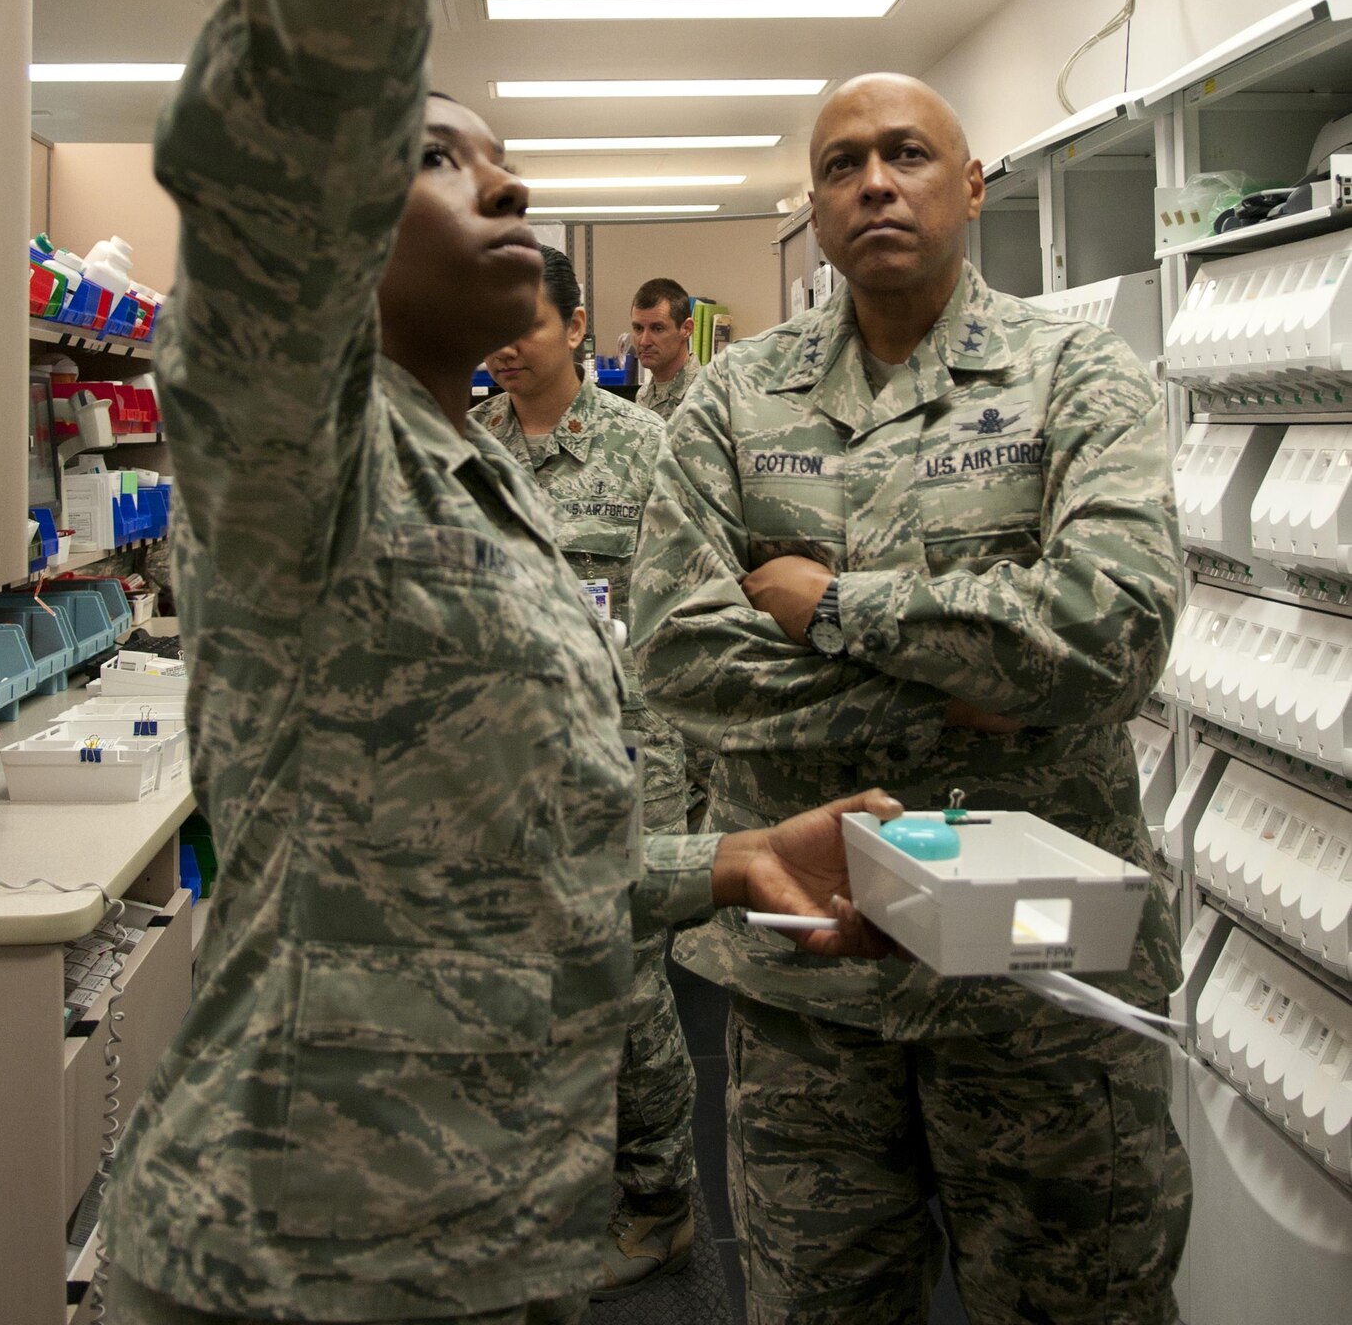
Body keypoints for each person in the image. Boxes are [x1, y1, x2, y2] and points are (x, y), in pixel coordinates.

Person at [98, 0, 898, 1325]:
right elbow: (290, 118)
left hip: (495, 1247)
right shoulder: (302, 441)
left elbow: (497, 867)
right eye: (446, 159)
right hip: (302, 1264)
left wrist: (723, 864)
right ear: (349, 213)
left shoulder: (476, 475)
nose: (509, 186)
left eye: (508, 160)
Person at [632, 72, 1192, 1325]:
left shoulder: (1078, 378)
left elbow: (1111, 633)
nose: (872, 181)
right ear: (816, 208)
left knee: (1078, 1305)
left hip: (1039, 980)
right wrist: (977, 682)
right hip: (809, 990)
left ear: (970, 183)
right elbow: (675, 651)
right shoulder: (733, 399)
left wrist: (836, 607)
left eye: (905, 154)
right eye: (840, 164)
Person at [469, 248, 697, 1295]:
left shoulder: (645, 446)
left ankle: (657, 1199)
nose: (505, 343)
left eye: (525, 320)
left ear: (574, 324)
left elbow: (696, 609)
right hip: (496, 758)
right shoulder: (461, 448)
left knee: (627, 977)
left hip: (625, 747)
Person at [629, 277, 696, 423]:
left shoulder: (707, 394)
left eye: (657, 329)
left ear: (686, 329)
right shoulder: (643, 396)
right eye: (638, 328)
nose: (644, 341)